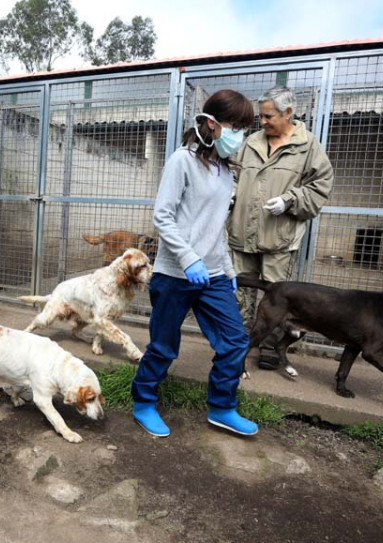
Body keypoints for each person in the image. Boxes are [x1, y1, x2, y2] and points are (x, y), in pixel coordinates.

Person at [131, 89, 257, 438]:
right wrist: (188, 259)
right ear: (211, 123)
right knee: (164, 346)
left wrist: (228, 270)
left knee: (234, 341)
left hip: (213, 274)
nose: (240, 135)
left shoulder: (225, 170)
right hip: (175, 274)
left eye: (245, 128)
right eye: (236, 126)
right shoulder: (182, 161)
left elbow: (214, 227)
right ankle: (143, 402)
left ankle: (222, 408)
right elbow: (163, 217)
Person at [227, 87, 333, 369]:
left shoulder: (308, 146)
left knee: (277, 296)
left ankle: (270, 346)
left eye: (267, 116)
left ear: (288, 113)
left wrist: (290, 200)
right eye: (260, 116)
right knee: (239, 292)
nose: (262, 122)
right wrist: (230, 192)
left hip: (279, 236)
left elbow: (321, 187)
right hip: (242, 232)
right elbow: (232, 174)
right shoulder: (250, 142)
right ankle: (238, 342)